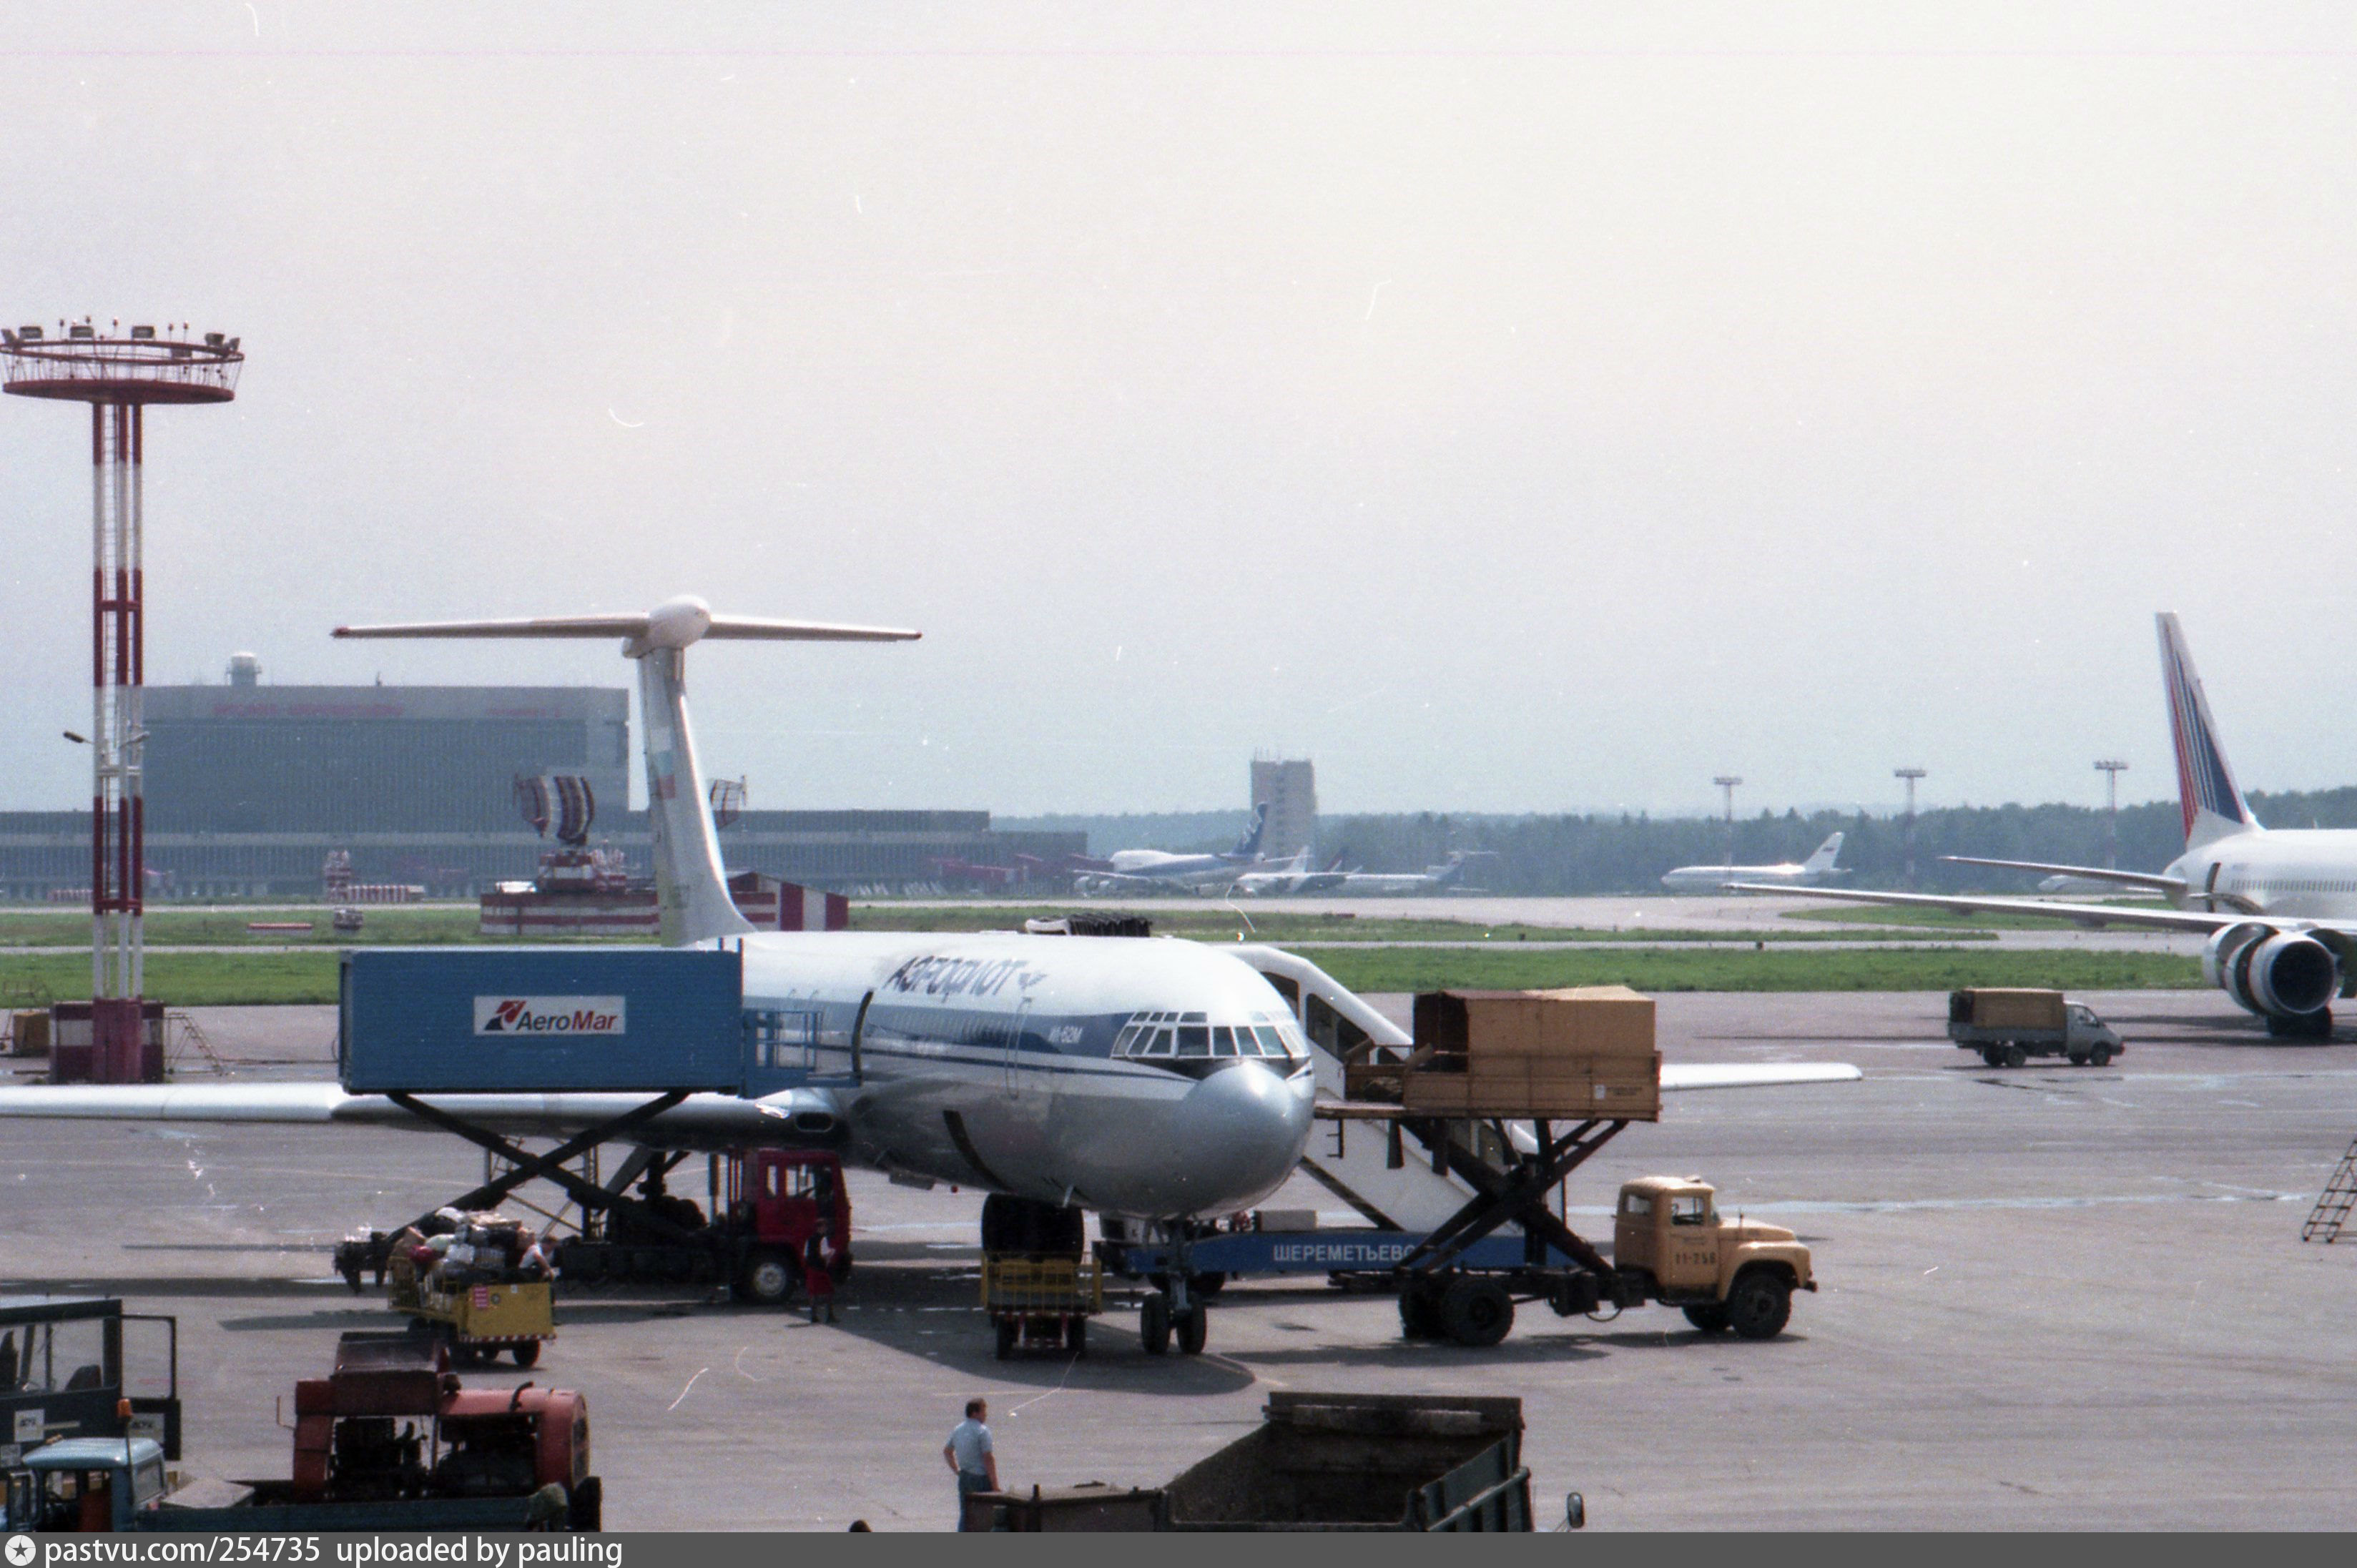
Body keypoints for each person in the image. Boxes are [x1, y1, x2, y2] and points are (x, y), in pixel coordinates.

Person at [943, 1398, 998, 1529]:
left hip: (965, 1476)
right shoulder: (982, 1431)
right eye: (984, 1411)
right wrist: (995, 1485)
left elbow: (947, 1451)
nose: (986, 1415)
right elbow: (988, 1458)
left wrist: (957, 1470)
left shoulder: (958, 1429)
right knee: (985, 1515)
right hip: (981, 1478)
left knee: (966, 1514)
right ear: (975, 1413)